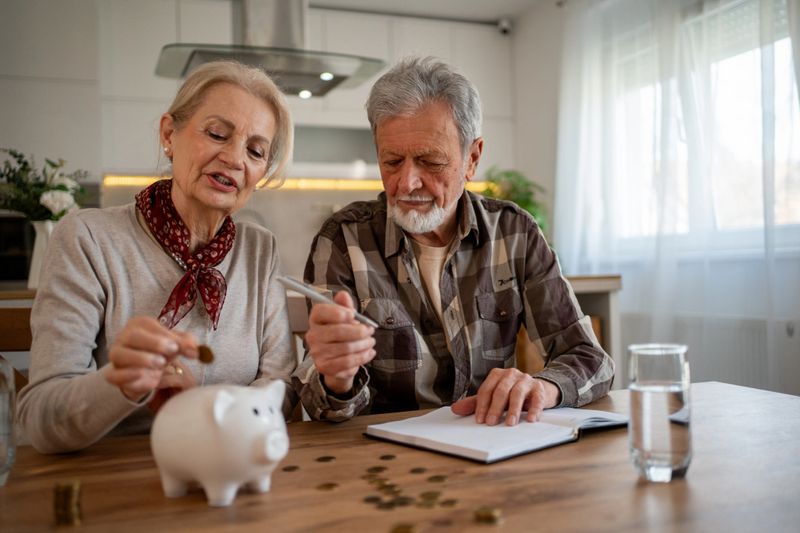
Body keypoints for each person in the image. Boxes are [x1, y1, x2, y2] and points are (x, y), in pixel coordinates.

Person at [294, 57, 614, 425]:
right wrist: (337, 380)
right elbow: (322, 408)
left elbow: (592, 360)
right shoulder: (342, 240)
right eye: (392, 161)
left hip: (491, 441)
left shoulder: (514, 232)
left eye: (430, 161)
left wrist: (543, 388)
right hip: (385, 455)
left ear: (472, 159)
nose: (407, 182)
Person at [18, 61, 297, 453]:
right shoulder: (88, 239)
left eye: (255, 151)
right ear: (169, 134)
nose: (235, 159)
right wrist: (123, 382)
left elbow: (280, 388)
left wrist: (205, 410)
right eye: (217, 134)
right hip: (115, 482)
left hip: (226, 468)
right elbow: (39, 420)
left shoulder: (258, 250)